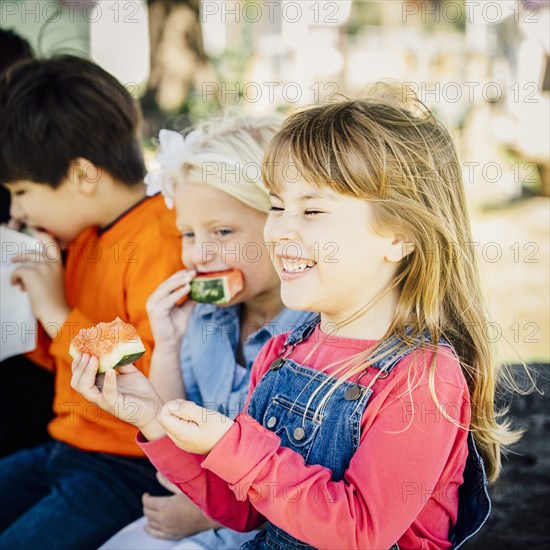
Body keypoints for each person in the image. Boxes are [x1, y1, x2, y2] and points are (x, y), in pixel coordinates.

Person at [71, 89, 522, 549]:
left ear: (399, 235)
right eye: (276, 206)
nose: (281, 229)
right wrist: (150, 416)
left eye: (311, 210)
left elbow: (359, 531)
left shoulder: (422, 379)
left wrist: (233, 444)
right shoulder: (283, 353)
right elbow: (244, 511)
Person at [99, 114, 315, 549]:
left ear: (280, 223)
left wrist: (202, 517)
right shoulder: (203, 320)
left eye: (222, 231)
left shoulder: (315, 333)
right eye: (187, 234)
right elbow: (171, 454)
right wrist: (167, 344)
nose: (199, 253)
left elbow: (311, 491)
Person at [0, 56, 183, 549]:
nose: (16, 211)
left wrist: (57, 313)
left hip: (128, 465)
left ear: (82, 173)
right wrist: (32, 310)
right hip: (64, 446)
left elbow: (145, 376)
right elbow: (59, 359)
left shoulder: (163, 237)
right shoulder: (80, 238)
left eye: (21, 191)